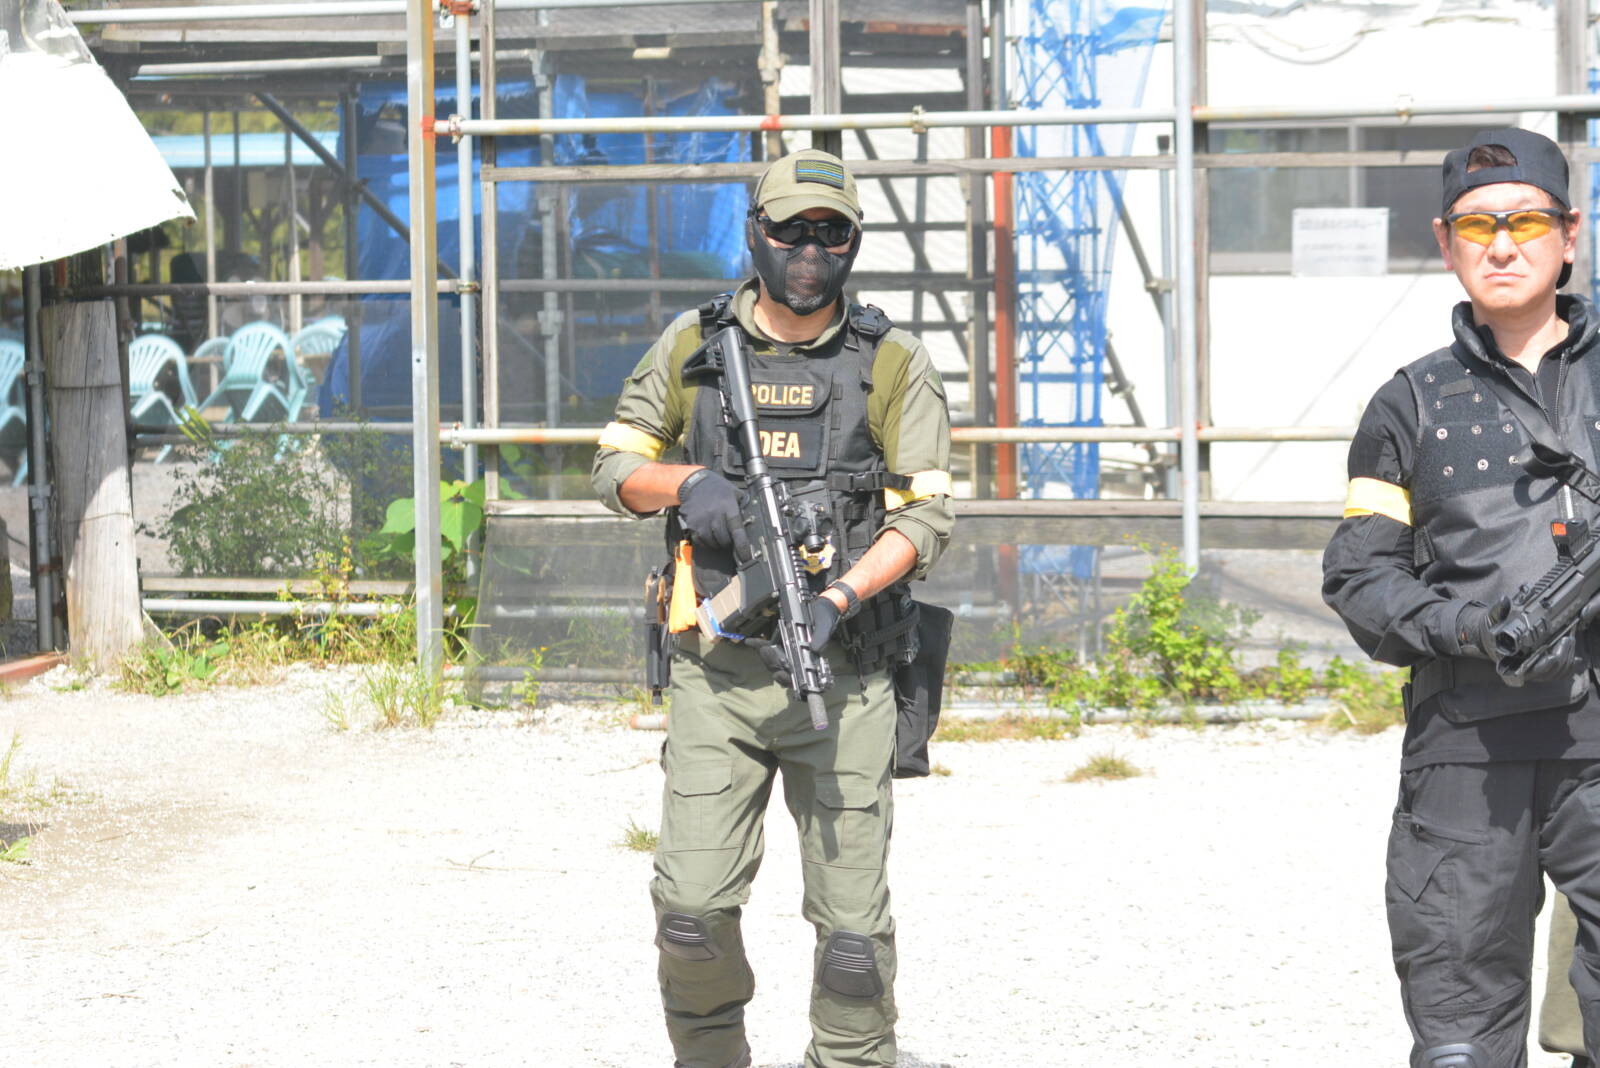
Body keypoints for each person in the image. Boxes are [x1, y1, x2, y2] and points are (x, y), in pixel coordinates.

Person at [590, 148, 954, 1068]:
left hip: (848, 676)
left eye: (832, 232)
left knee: (853, 940)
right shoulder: (693, 344)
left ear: (853, 243)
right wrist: (690, 483)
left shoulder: (892, 361)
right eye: (791, 229)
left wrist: (840, 595)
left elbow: (926, 516)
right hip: (718, 678)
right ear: (757, 232)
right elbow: (613, 466)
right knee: (692, 917)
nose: (810, 249)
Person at [1323, 126, 1600, 1068]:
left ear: (1569, 233)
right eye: (1478, 226)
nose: (1503, 244)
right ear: (1446, 243)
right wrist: (1472, 628)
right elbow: (1359, 576)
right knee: (1460, 1030)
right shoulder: (1409, 405)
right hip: (1467, 747)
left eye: (1526, 221)